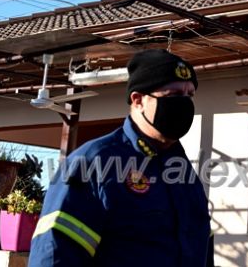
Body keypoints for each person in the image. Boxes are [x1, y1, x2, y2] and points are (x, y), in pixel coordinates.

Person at [29, 49, 212, 266]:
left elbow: (202, 249)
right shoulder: (92, 163)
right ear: (138, 100)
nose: (184, 103)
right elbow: (54, 255)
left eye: (189, 95)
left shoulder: (183, 172)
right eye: (172, 95)